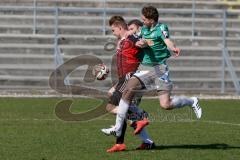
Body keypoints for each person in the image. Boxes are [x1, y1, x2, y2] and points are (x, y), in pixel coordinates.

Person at [101, 6, 202, 137]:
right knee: (127, 90)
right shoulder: (143, 29)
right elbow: (136, 37)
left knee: (165, 105)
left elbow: (167, 41)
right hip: (144, 67)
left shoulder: (161, 28)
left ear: (151, 20)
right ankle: (119, 128)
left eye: (144, 19)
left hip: (160, 68)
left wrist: (173, 48)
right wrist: (131, 35)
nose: (142, 21)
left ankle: (191, 101)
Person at [103, 16, 155, 152]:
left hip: (131, 78)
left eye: (113, 30)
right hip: (124, 79)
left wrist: (146, 42)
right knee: (123, 110)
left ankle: (140, 117)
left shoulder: (130, 38)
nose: (112, 33)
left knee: (110, 106)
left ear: (120, 27)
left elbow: (144, 43)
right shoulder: (122, 41)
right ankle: (145, 141)